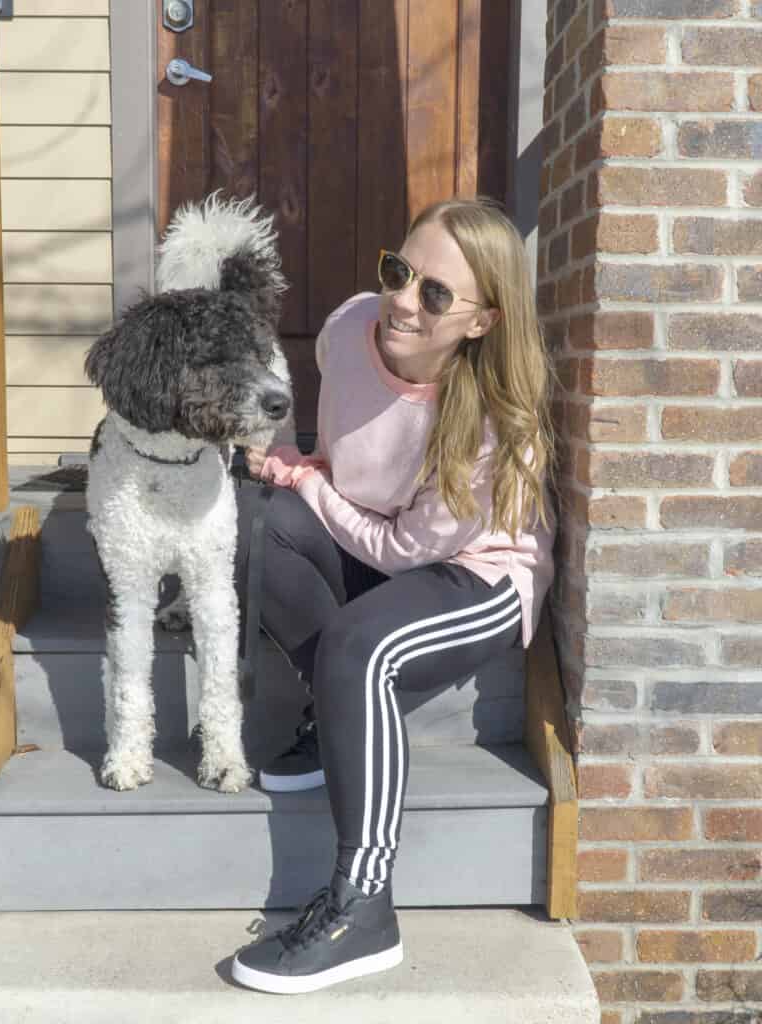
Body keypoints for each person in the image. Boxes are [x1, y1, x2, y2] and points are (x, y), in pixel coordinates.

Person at [229, 196, 557, 995]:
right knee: (248, 525)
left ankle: (364, 908)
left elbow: (405, 548)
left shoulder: (490, 421)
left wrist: (304, 478)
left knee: (360, 646)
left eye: (437, 293)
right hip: (371, 539)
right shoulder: (348, 327)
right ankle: (343, 713)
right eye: (398, 271)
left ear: (482, 320)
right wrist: (297, 474)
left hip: (474, 572)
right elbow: (344, 466)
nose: (404, 300)